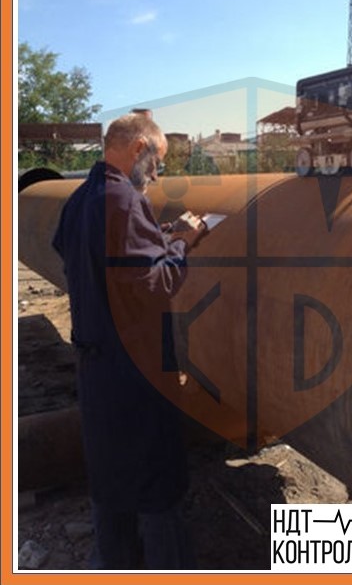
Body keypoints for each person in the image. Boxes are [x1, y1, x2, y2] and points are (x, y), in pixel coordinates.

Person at [52, 114, 206, 570]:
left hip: (95, 364)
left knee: (110, 477)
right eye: (157, 162)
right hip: (135, 369)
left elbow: (86, 254)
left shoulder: (81, 197)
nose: (156, 174)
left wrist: (158, 237)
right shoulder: (123, 200)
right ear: (138, 148)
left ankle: (113, 564)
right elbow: (155, 284)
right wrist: (184, 244)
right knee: (157, 482)